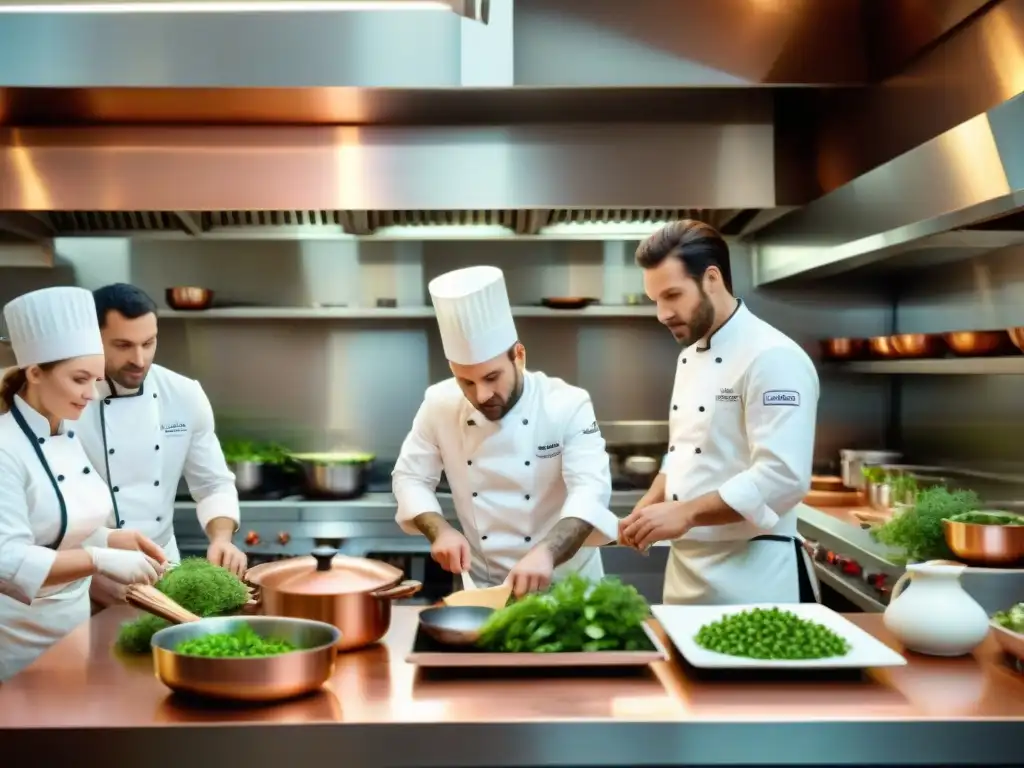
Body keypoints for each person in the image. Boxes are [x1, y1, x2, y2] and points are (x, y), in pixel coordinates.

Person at [619, 220, 821, 605]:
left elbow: (783, 477)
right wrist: (654, 499)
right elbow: (686, 447)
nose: (662, 313)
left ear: (712, 278)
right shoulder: (689, 356)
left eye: (673, 295)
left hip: (753, 573)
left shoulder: (772, 357)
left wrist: (688, 513)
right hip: (687, 569)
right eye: (655, 300)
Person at [392, 266, 619, 597]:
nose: (482, 395)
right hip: (487, 588)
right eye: (466, 382)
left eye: (492, 377)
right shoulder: (439, 403)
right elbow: (410, 477)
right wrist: (439, 530)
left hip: (570, 588)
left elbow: (590, 491)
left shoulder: (567, 404)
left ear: (520, 357)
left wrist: (545, 552)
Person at [0, 286, 167, 680]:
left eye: (95, 379)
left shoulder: (64, 431)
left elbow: (54, 528)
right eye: (79, 380)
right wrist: (99, 560)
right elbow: (6, 561)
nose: (91, 395)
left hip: (73, 630)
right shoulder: (5, 448)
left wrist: (110, 540)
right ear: (35, 372)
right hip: (17, 641)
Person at [76, 283, 246, 609]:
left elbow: (212, 483)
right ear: (92, 339)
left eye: (148, 343)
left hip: (163, 566)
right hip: (86, 572)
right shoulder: (69, 401)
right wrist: (89, 569)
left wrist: (222, 539)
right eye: (123, 345)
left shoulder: (183, 394)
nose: (139, 359)